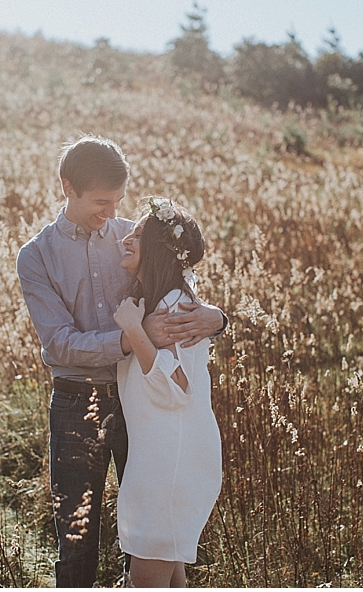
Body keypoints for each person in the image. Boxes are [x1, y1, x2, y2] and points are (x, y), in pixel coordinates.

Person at [16, 135, 226, 588]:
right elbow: (60, 345)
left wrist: (217, 317)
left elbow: (180, 292)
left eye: (117, 201)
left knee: (153, 534)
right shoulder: (36, 257)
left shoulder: (136, 238)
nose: (111, 214)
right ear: (67, 187)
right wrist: (133, 338)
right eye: (100, 202)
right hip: (76, 404)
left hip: (142, 409)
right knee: (76, 539)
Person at [113, 198, 222, 588]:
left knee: (145, 580)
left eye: (139, 234)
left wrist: (134, 331)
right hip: (161, 455)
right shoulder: (163, 300)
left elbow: (176, 390)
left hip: (172, 462)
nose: (127, 237)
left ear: (158, 250)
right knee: (169, 580)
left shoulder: (176, 306)